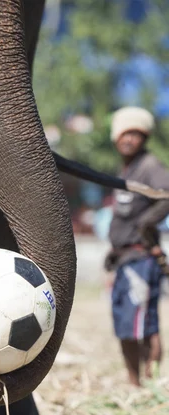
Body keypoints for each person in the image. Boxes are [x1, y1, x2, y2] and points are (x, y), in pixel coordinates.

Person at [105, 106, 169, 386]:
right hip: (125, 258)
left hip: (140, 259)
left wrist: (145, 227)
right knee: (129, 323)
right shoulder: (127, 170)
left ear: (144, 138)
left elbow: (166, 197)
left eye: (136, 134)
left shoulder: (149, 166)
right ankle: (137, 382)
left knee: (140, 324)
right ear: (115, 137)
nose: (129, 139)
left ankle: (143, 382)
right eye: (125, 133)